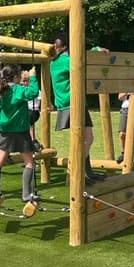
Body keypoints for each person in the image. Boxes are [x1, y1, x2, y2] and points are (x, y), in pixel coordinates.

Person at [48, 32, 108, 185]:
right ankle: (78, 171)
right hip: (73, 102)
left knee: (85, 139)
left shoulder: (54, 61)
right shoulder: (64, 60)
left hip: (70, 102)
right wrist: (95, 50)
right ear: (67, 47)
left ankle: (87, 172)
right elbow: (81, 62)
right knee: (87, 139)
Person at [0, 64, 40, 204]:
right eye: (19, 76)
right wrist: (33, 77)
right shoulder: (17, 90)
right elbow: (33, 92)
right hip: (20, 132)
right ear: (15, 77)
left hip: (5, 132)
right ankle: (26, 194)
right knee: (29, 163)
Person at [116, 91, 134, 164]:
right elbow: (120, 97)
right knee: (122, 134)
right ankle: (123, 154)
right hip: (125, 109)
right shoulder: (126, 83)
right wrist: (127, 92)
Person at [21, 69, 43, 151]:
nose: (25, 83)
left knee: (28, 122)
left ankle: (33, 140)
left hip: (33, 111)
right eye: (23, 81)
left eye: (27, 81)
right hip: (26, 111)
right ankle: (30, 141)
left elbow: (42, 99)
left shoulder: (35, 90)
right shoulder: (22, 89)